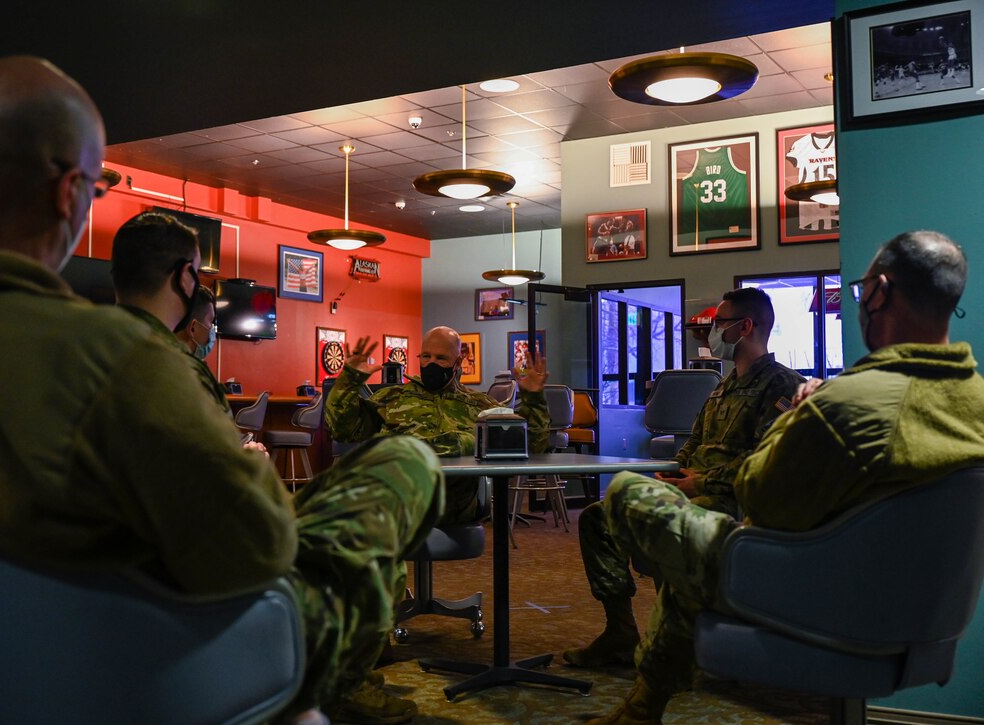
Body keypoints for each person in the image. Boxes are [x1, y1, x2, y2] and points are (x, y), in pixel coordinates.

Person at [0, 55, 443, 725]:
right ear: (69, 192)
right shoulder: (116, 356)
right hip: (150, 663)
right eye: (97, 189)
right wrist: (252, 473)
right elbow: (259, 549)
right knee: (405, 461)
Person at [588, 230, 984, 725]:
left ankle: (643, 703)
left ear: (880, 292)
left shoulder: (844, 403)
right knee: (693, 551)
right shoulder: (976, 402)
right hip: (923, 614)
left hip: (815, 593)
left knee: (630, 493)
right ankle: (642, 706)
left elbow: (762, 497)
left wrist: (801, 418)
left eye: (860, 292)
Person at [563, 287, 803, 669]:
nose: (711, 333)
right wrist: (670, 471)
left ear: (745, 326)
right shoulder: (722, 385)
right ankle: (621, 633)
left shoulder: (783, 386)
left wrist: (698, 484)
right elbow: (694, 443)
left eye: (719, 324)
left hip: (731, 500)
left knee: (661, 522)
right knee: (599, 516)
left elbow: (768, 463)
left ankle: (677, 642)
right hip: (689, 489)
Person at [325, 326, 551, 524]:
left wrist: (534, 399)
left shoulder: (480, 406)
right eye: (425, 356)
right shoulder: (391, 399)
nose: (431, 363)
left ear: (457, 363)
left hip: (454, 507)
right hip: (398, 504)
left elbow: (531, 446)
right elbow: (343, 429)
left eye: (441, 358)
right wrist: (348, 381)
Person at [110, 211, 230, 416]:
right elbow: (215, 448)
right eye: (197, 272)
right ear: (184, 276)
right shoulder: (182, 373)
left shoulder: (74, 342)